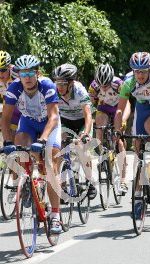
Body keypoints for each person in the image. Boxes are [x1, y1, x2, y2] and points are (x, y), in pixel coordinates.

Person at [1, 54, 64, 234]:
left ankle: (55, 215)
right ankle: (28, 184)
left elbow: (53, 117)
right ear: (18, 75)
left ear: (37, 73)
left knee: (50, 165)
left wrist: (43, 140)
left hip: (49, 124)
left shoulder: (48, 86)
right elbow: (5, 119)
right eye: (23, 73)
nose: (27, 77)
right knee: (20, 150)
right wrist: (6, 140)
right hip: (28, 122)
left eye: (30, 73)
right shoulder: (14, 89)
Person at [114, 51, 150, 219]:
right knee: (139, 151)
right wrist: (118, 130)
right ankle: (138, 196)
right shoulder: (128, 83)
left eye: (143, 71)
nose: (139, 75)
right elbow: (120, 108)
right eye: (136, 71)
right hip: (141, 108)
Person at [52, 63, 97, 200]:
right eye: (57, 83)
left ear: (71, 83)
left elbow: (88, 115)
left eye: (63, 84)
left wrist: (85, 134)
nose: (59, 87)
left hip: (82, 121)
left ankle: (91, 181)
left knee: (81, 147)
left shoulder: (79, 90)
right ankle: (62, 185)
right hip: (65, 120)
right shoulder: (54, 91)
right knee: (59, 148)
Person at [88, 63, 129, 193]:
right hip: (104, 107)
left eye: (106, 85)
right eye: (101, 86)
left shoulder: (119, 84)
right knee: (99, 125)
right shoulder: (94, 87)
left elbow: (127, 105)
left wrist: (123, 120)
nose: (104, 89)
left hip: (119, 108)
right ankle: (101, 153)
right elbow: (91, 105)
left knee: (119, 140)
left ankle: (123, 180)